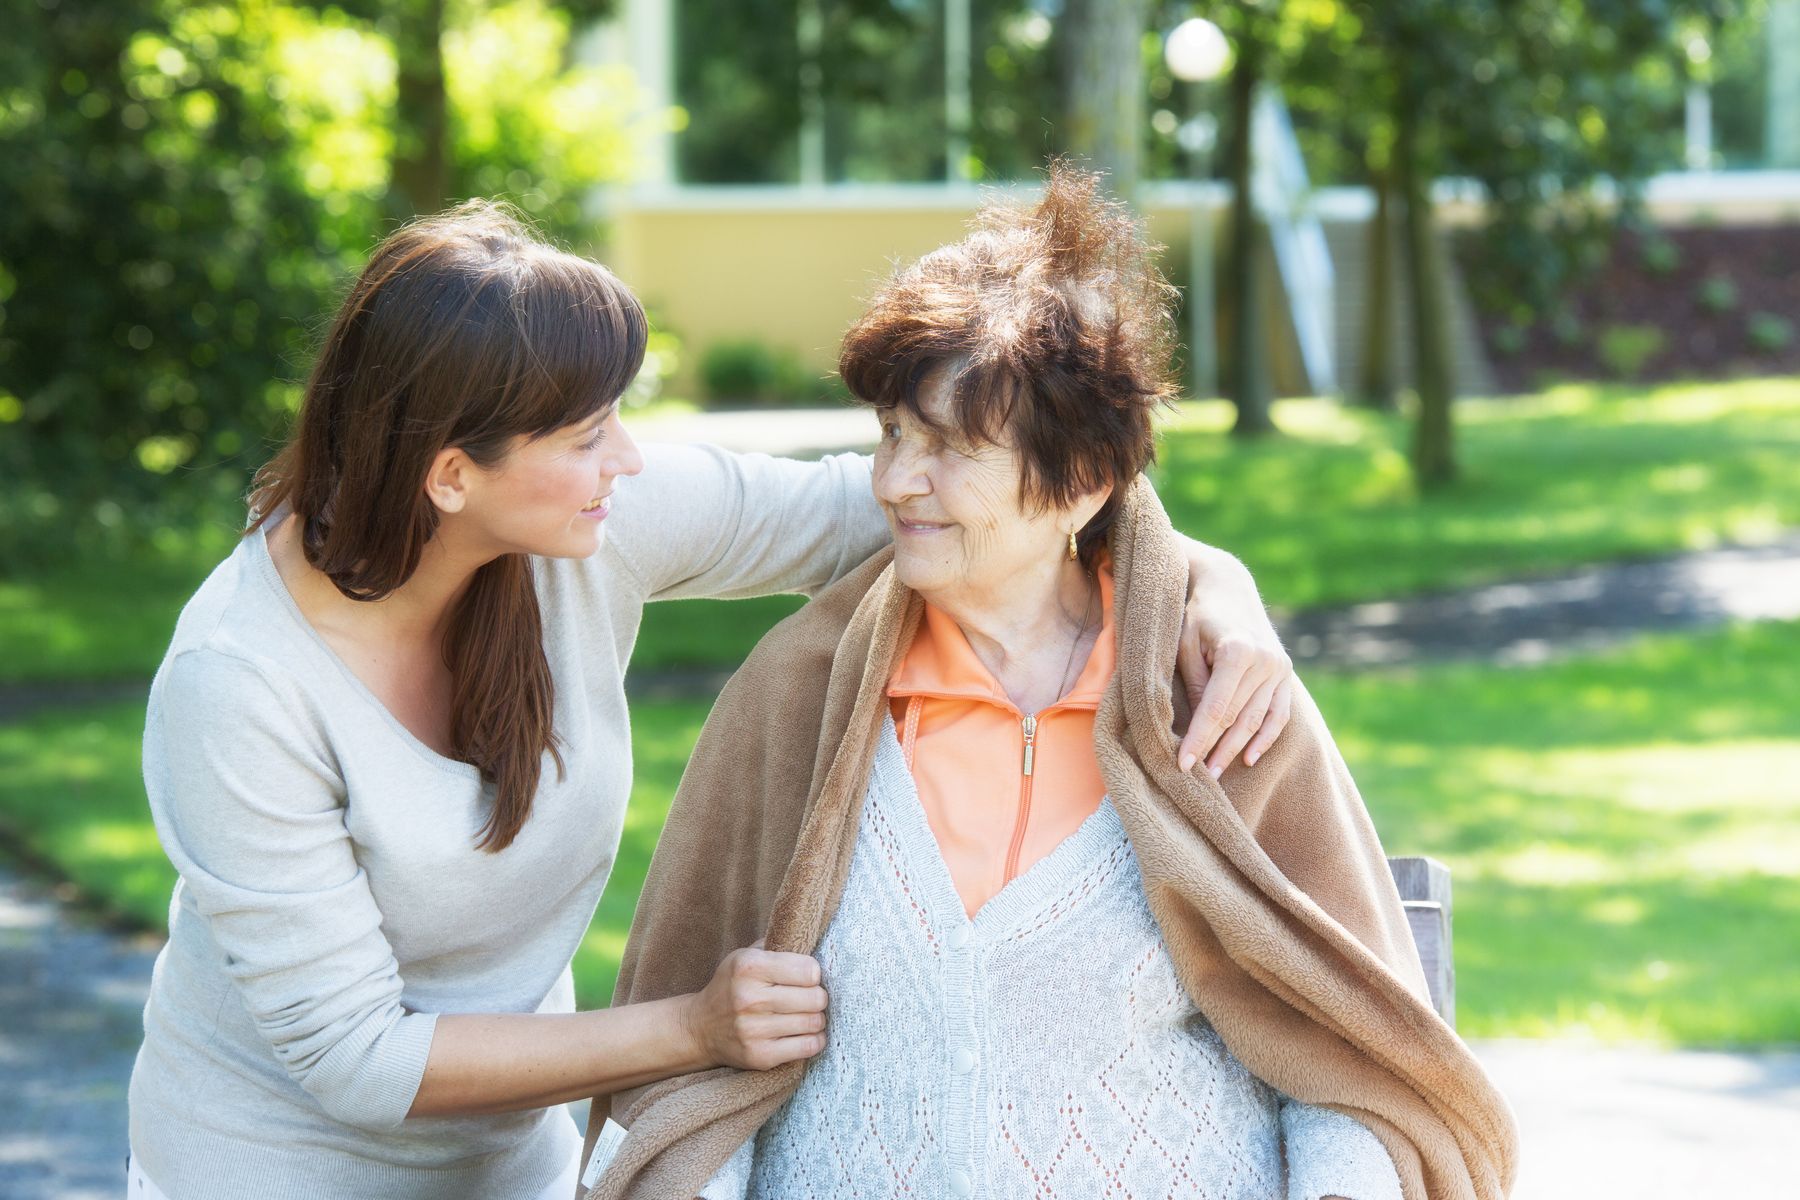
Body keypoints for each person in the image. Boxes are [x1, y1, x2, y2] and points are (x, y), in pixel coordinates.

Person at [124, 200, 1298, 1200]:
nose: (627, 461)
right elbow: (358, 1058)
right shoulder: (240, 686)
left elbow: (977, 506)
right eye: (588, 436)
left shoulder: (585, 524)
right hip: (269, 1164)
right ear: (451, 475)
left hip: (513, 1161)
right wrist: (694, 1028)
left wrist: (1209, 589)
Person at [584, 167, 1517, 1200]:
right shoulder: (795, 695)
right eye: (893, 432)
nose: (895, 480)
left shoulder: (1210, 698)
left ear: (1082, 484)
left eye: (950, 449)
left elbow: (1354, 1059)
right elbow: (686, 1078)